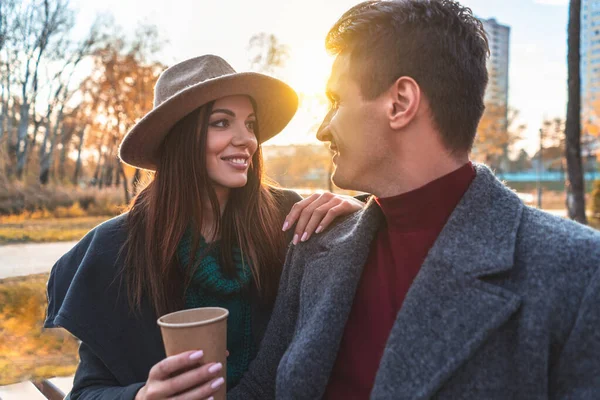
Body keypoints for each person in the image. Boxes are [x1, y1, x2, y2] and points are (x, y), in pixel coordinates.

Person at [223, 1, 600, 399]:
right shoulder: (315, 244)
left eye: (335, 100)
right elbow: (262, 390)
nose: (321, 129)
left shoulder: (579, 273)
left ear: (400, 103)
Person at [44, 54, 364, 400]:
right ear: (180, 137)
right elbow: (87, 392)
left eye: (250, 124)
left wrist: (358, 213)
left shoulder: (288, 217)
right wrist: (142, 396)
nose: (247, 140)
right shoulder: (117, 247)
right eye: (222, 123)